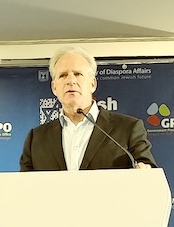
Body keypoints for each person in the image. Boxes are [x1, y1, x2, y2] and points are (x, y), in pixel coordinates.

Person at [20, 46, 157, 171]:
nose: (71, 80)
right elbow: (24, 188)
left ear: (92, 84)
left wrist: (144, 170)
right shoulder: (36, 139)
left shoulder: (128, 129)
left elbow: (147, 173)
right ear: (54, 87)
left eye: (78, 74)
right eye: (63, 75)